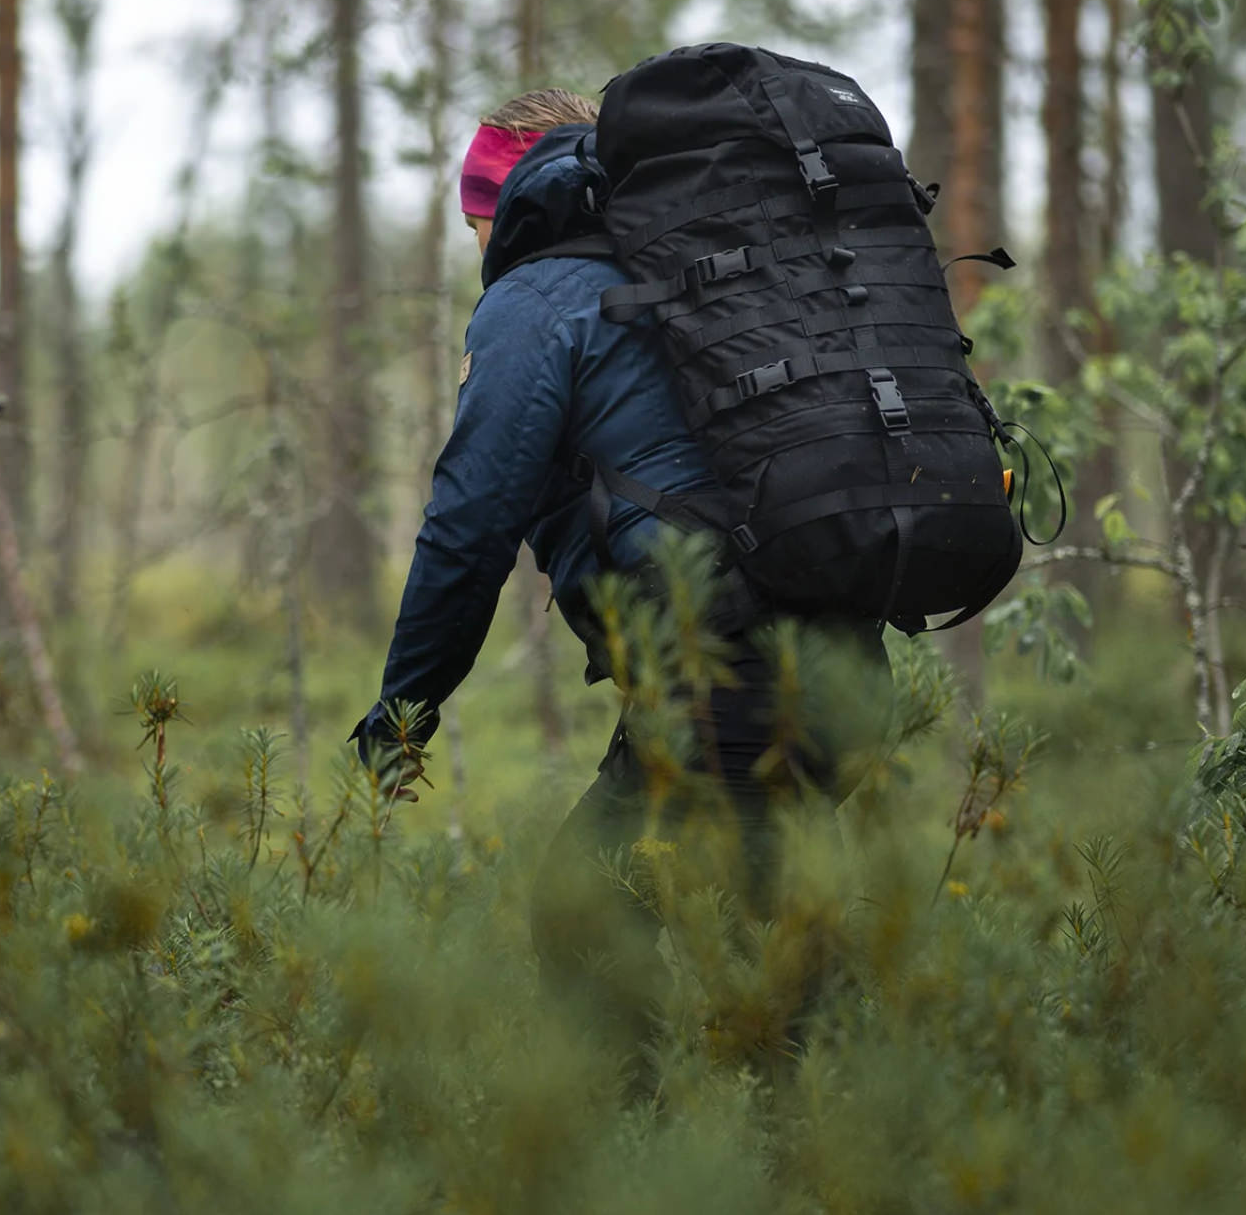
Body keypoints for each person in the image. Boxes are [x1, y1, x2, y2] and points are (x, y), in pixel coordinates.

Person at [353, 87, 890, 1074]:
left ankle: (675, 1183)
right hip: (843, 650)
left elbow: (469, 526)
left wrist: (404, 708)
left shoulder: (536, 301)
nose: (475, 245)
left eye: (471, 220)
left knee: (599, 915)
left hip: (723, 672)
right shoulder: (705, 276)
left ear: (497, 204)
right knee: (759, 936)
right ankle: (800, 1166)